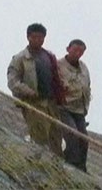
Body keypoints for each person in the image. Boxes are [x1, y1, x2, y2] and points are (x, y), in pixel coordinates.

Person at [6, 23, 65, 155]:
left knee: (56, 138)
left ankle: (57, 168)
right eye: (35, 37)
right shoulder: (20, 58)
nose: (38, 40)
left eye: (41, 37)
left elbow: (57, 77)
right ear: (28, 37)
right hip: (34, 104)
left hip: (51, 104)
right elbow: (13, 81)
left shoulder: (49, 56)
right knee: (40, 138)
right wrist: (29, 92)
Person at [57, 38, 91, 170]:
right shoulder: (58, 65)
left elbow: (87, 86)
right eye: (75, 50)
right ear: (68, 49)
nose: (78, 53)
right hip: (64, 107)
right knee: (72, 134)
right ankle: (71, 163)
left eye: (81, 51)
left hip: (79, 109)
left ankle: (82, 167)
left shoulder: (84, 68)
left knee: (84, 139)